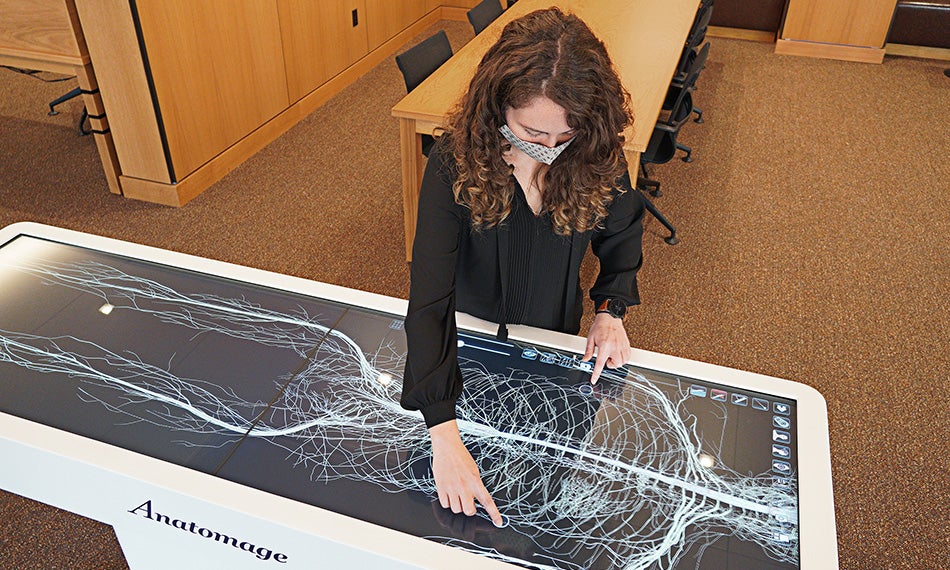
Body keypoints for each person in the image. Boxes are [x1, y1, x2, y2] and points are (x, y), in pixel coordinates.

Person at [400, 8, 645, 528]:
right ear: (497, 108)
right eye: (533, 133)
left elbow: (622, 231)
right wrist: (442, 429)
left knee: (544, 493)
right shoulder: (454, 162)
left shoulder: (594, 151)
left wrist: (611, 309)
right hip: (467, 346)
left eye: (564, 136)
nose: (551, 151)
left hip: (552, 334)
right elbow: (429, 302)